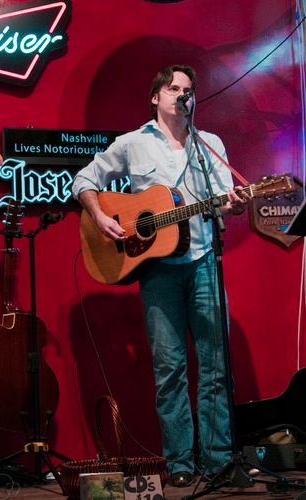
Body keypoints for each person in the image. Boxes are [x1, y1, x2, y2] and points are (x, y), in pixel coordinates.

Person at [72, 65, 250, 487]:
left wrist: (235, 204)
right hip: (157, 271)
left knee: (216, 367)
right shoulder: (133, 143)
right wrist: (99, 216)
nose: (182, 95)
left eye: (188, 90)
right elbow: (84, 179)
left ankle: (217, 460)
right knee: (170, 368)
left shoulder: (210, 146)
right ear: (156, 97)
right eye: (173, 88)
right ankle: (181, 463)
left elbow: (224, 200)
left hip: (204, 261)